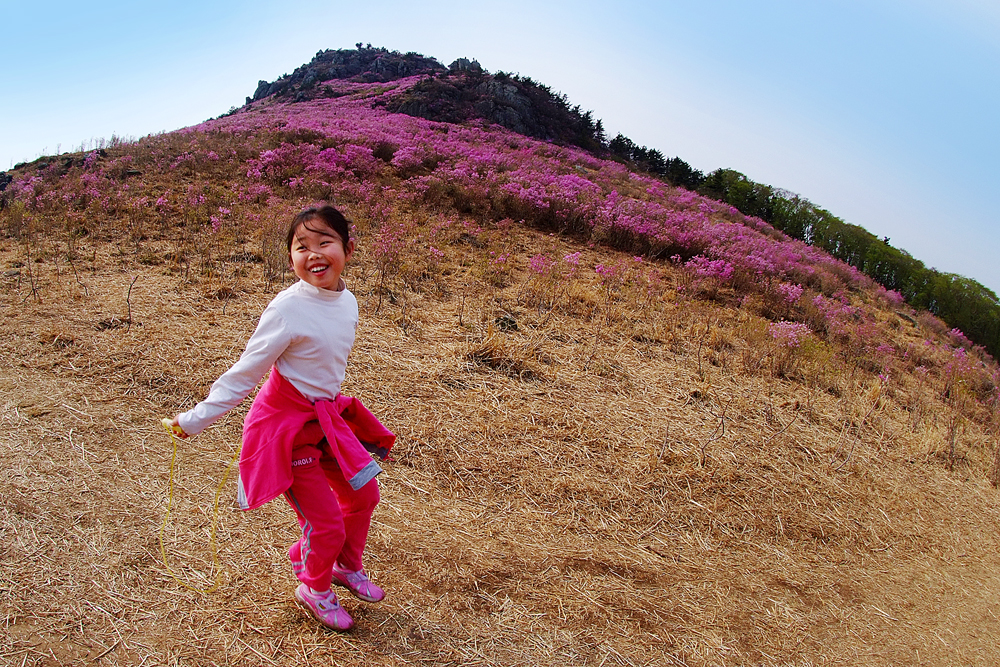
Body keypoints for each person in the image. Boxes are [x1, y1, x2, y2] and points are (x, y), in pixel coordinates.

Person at [168, 205, 394, 631]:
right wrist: (196, 418)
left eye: (324, 242)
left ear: (348, 247)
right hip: (286, 430)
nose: (313, 254)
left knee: (363, 498)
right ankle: (314, 585)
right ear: (290, 258)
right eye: (300, 246)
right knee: (324, 522)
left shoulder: (348, 300)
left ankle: (344, 567)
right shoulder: (287, 308)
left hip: (324, 421)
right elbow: (246, 371)